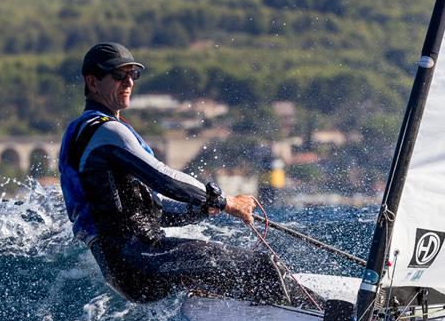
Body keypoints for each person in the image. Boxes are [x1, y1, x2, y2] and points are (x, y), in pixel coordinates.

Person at [58, 42, 305, 305]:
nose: (128, 82)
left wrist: (202, 210)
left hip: (127, 269)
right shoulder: (105, 130)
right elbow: (164, 178)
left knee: (240, 276)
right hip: (142, 258)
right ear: (93, 83)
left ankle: (285, 313)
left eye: (133, 74)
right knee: (263, 267)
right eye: (119, 75)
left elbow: (148, 212)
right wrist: (225, 202)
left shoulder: (79, 132)